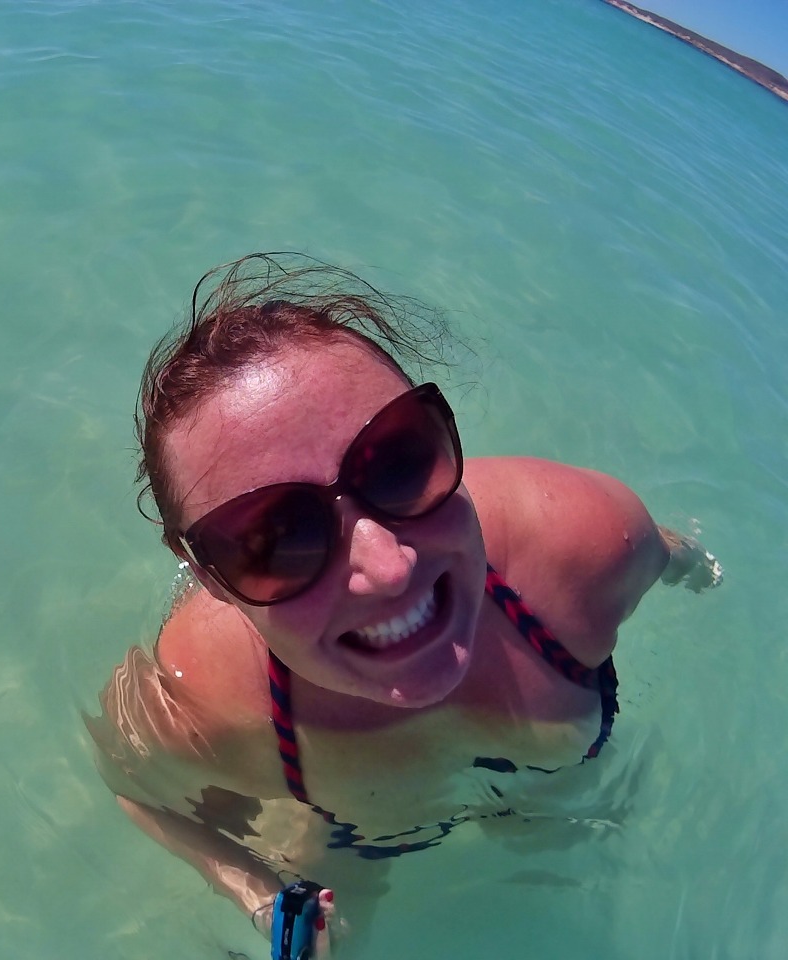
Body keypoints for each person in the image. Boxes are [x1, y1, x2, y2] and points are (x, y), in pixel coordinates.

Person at [86, 253, 721, 954]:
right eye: (278, 538)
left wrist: (691, 564)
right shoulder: (205, 703)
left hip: (553, 812)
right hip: (355, 846)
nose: (389, 570)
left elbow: (664, 551)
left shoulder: (587, 547)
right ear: (207, 576)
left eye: (397, 460)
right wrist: (262, 895)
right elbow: (139, 792)